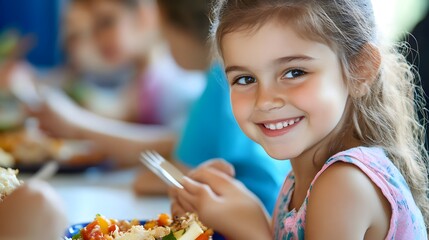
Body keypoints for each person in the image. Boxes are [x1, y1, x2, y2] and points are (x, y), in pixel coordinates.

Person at [169, 0, 429, 239]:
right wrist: (238, 210)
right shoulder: (304, 173)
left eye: (294, 72)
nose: (265, 100)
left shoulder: (344, 184)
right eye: (245, 79)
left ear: (359, 71)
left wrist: (252, 229)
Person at [134, 0, 291, 214]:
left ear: (181, 26)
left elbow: (179, 173)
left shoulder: (219, 78)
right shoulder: (234, 76)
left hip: (256, 215)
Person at [33, 0, 204, 165]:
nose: (98, 38)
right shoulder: (142, 79)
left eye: (107, 22)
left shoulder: (177, 79)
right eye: (92, 29)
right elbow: (119, 115)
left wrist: (74, 125)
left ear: (145, 15)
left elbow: (183, 145)